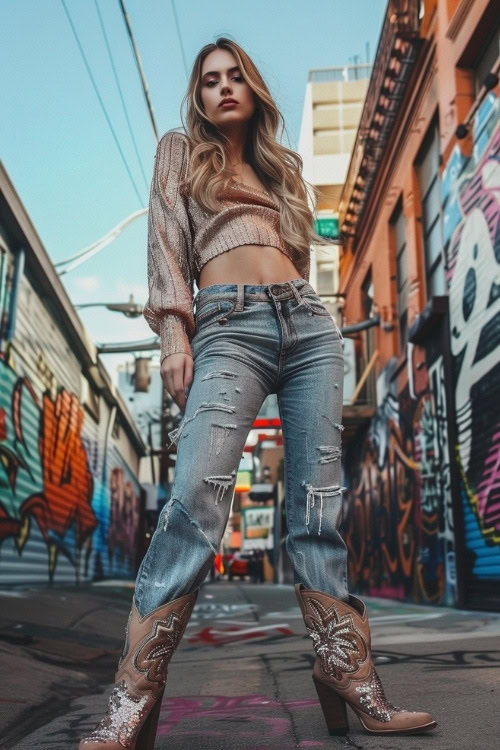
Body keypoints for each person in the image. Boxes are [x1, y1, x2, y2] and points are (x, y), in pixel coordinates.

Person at [78, 38, 436, 749]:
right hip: (227, 324)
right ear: (199, 97)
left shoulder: (283, 170)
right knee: (194, 503)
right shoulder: (180, 151)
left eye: (235, 74)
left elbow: (298, 257)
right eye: (209, 80)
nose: (223, 88)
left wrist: (309, 310)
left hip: (307, 326)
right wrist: (175, 339)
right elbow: (165, 245)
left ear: (254, 87)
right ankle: (133, 696)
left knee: (317, 510)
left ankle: (348, 676)